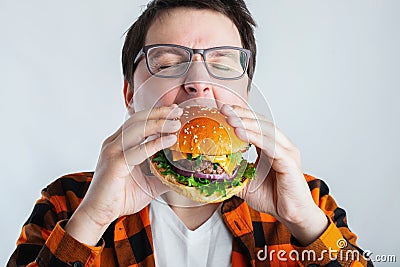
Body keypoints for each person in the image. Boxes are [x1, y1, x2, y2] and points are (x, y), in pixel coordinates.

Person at [8, 1, 373, 266]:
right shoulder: (67, 204)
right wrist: (91, 222)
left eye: (223, 64)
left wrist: (306, 224)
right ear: (130, 95)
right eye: (168, 63)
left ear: (246, 94)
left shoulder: (309, 202)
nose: (199, 83)